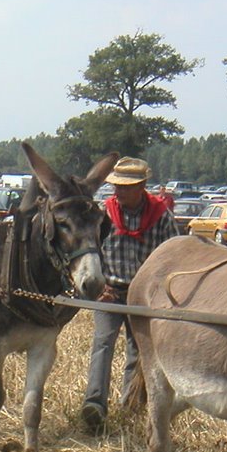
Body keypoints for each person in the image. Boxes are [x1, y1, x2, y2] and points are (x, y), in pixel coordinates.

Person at [81, 156, 177, 432]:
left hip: (144, 296)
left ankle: (130, 409)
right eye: (116, 187)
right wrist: (100, 286)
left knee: (139, 353)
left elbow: (171, 258)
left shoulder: (161, 217)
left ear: (142, 186)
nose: (118, 192)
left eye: (126, 187)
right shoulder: (103, 214)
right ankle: (94, 405)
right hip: (110, 292)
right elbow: (91, 251)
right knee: (103, 344)